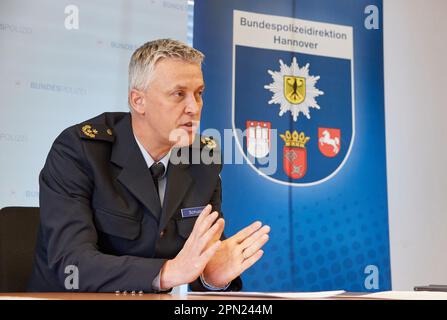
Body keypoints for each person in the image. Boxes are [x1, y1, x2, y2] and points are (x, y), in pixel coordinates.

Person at [28, 39, 270, 293]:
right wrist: (168, 272)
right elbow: (71, 264)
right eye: (179, 94)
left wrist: (213, 278)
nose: (194, 108)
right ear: (138, 100)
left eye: (199, 94)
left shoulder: (202, 160)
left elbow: (196, 262)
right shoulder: (80, 150)